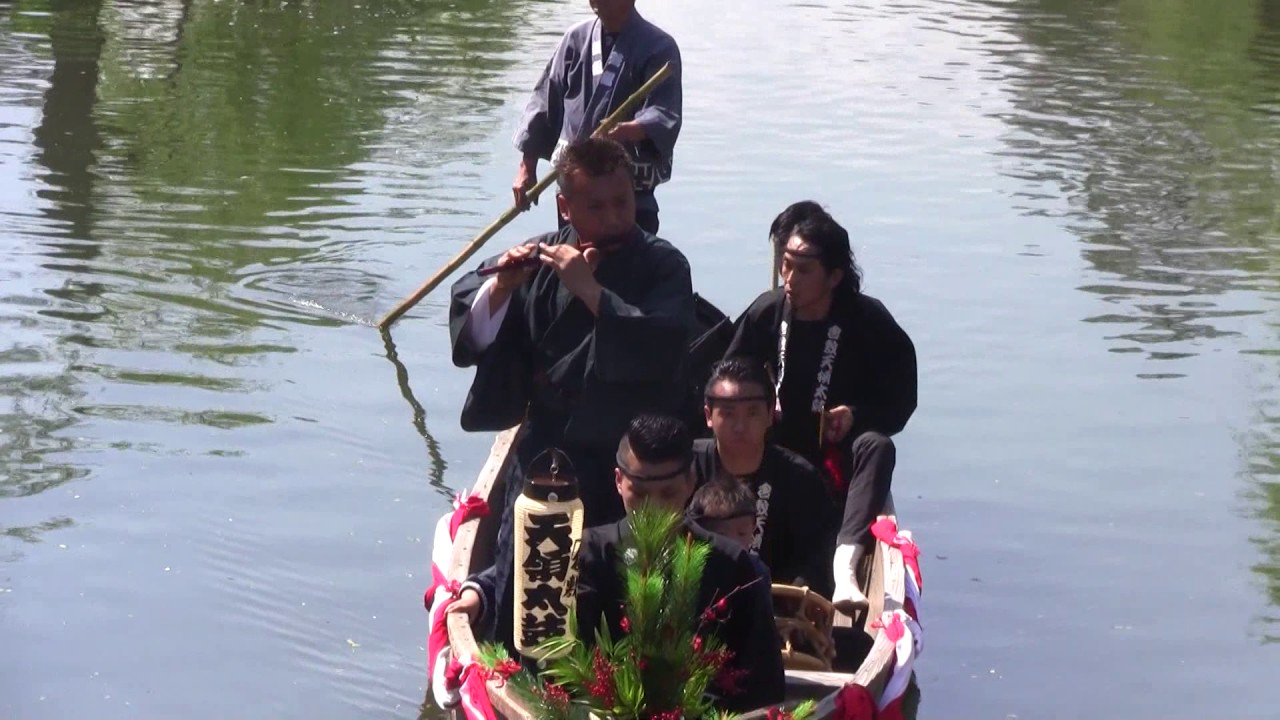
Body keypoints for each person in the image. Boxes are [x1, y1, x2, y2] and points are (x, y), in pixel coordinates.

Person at [448, 137, 695, 645]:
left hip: (631, 457)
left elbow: (663, 344)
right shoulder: (540, 257)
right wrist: (502, 289)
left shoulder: (663, 265)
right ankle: (520, 658)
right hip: (548, 448)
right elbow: (470, 325)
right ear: (566, 205)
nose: (612, 217)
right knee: (532, 586)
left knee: (623, 594)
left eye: (621, 202)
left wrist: (591, 290)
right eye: (595, 206)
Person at [451, 414, 785, 712]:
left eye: (667, 494)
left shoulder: (735, 568)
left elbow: (760, 690)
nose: (652, 510)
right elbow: (546, 673)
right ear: (618, 482)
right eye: (638, 493)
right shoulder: (581, 558)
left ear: (691, 482)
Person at [724, 204, 917, 614]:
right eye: (785, 266)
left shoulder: (869, 320)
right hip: (774, 450)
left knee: (878, 446)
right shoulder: (768, 311)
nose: (788, 279)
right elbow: (726, 376)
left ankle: (845, 562)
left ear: (834, 277)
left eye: (802, 270)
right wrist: (758, 399)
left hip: (835, 456)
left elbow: (901, 399)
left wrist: (856, 415)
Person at [512, 0, 682, 234]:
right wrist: (526, 167)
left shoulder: (659, 46)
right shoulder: (575, 39)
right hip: (576, 192)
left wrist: (630, 129)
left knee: (632, 266)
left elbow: (664, 111)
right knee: (572, 263)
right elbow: (544, 102)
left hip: (628, 194)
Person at [691, 358, 834, 597]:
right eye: (728, 414)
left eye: (752, 413)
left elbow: (816, 560)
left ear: (770, 415)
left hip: (778, 605)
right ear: (708, 415)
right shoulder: (686, 468)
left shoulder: (800, 478)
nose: (739, 426)